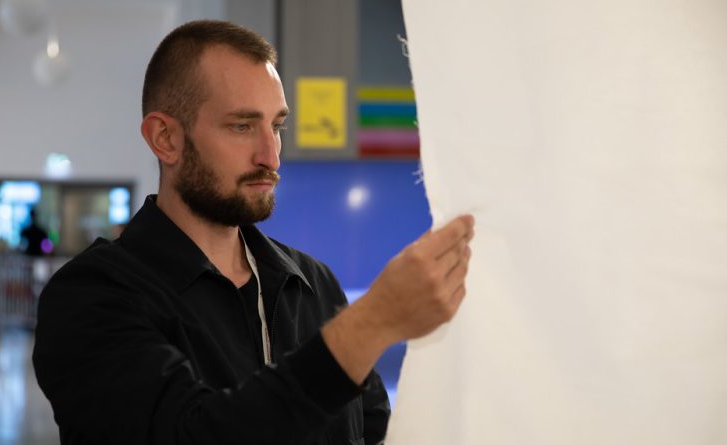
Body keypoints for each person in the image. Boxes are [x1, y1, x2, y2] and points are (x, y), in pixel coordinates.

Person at [32, 20, 474, 445]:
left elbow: (374, 432)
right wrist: (372, 323)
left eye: (276, 126)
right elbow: (194, 434)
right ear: (165, 138)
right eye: (242, 126)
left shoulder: (313, 284)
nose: (271, 156)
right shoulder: (90, 296)